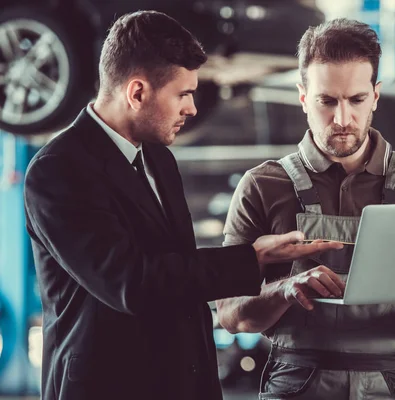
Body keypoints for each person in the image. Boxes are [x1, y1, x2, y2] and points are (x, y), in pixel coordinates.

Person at [23, 11, 342, 400]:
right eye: (183, 94)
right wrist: (249, 259)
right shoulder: (59, 170)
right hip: (107, 387)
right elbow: (131, 284)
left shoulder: (158, 157)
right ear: (137, 92)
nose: (192, 108)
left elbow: (180, 275)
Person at [217, 18, 395, 399]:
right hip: (295, 382)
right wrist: (284, 290)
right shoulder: (262, 185)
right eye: (326, 101)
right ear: (303, 97)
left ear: (375, 96)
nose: (342, 119)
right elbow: (230, 315)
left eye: (356, 100)